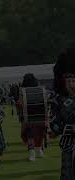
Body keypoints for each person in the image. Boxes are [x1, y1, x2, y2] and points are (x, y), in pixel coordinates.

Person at [50, 48, 75, 180]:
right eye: (68, 80)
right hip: (68, 140)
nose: (71, 84)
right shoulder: (59, 100)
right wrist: (55, 129)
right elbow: (56, 122)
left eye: (73, 80)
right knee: (67, 171)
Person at [17, 73, 48, 161]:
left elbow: (20, 105)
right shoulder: (40, 90)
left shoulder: (23, 92)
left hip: (31, 119)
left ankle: (33, 153)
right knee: (39, 135)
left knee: (31, 136)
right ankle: (37, 151)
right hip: (38, 118)